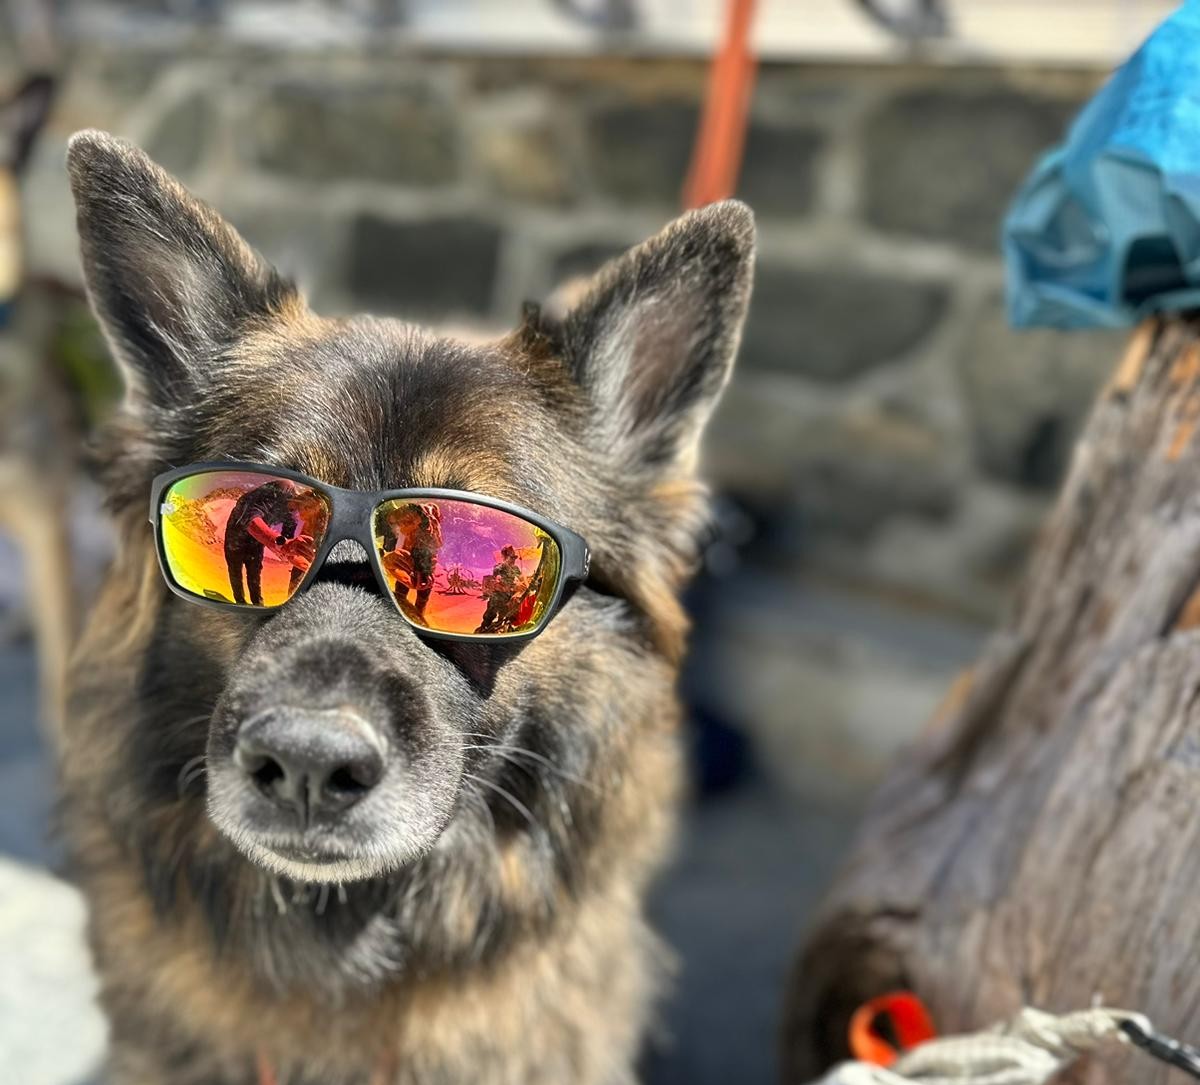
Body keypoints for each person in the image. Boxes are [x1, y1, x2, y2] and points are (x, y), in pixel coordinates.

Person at [223, 480, 323, 606]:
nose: (313, 517)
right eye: (314, 510)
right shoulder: (285, 488)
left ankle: (258, 606)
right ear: (308, 499)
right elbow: (249, 519)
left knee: (254, 571)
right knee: (235, 568)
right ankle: (240, 603)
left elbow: (289, 546)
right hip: (236, 532)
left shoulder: (291, 517)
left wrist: (294, 554)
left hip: (256, 539)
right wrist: (283, 544)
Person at [380, 503, 443, 622]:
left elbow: (423, 579)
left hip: (419, 572)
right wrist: (387, 561)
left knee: (419, 603)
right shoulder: (401, 536)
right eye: (401, 522)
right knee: (401, 596)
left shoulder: (426, 538)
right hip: (406, 571)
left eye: (407, 521)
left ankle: (418, 622)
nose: (400, 525)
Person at [476, 545, 526, 634]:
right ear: (504, 557)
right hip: (498, 597)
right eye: (511, 557)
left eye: (514, 557)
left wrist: (525, 584)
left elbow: (521, 579)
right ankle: (483, 631)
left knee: (505, 619)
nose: (514, 560)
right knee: (489, 617)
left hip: (508, 598)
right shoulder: (499, 569)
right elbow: (499, 584)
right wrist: (513, 587)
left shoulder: (515, 568)